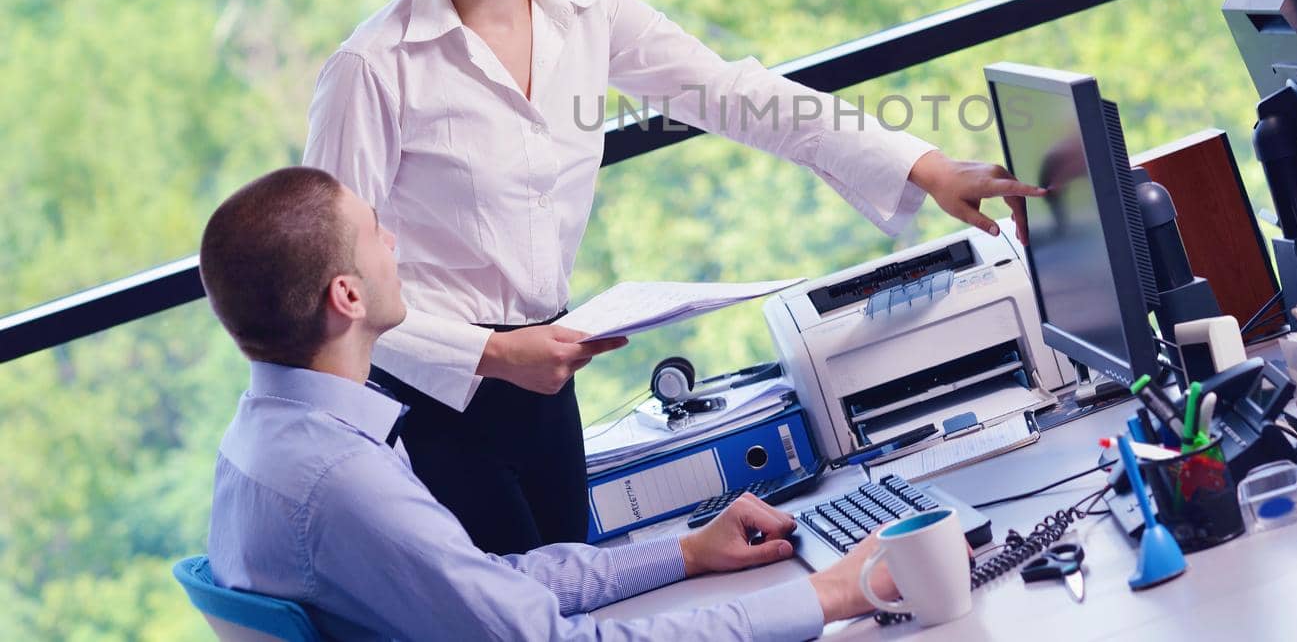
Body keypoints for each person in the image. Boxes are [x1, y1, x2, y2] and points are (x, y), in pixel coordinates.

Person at [303, 0, 1043, 553]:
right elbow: (329, 292)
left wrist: (921, 166)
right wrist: (489, 354)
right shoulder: (371, 68)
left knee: (578, 599)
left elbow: (734, 93)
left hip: (545, 381)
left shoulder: (586, 10)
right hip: (429, 399)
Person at [201, 166, 894, 641]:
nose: (392, 243)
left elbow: (488, 585)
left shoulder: (267, 436)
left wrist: (684, 554)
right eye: (375, 231)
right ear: (347, 297)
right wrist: (831, 595)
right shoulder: (342, 481)